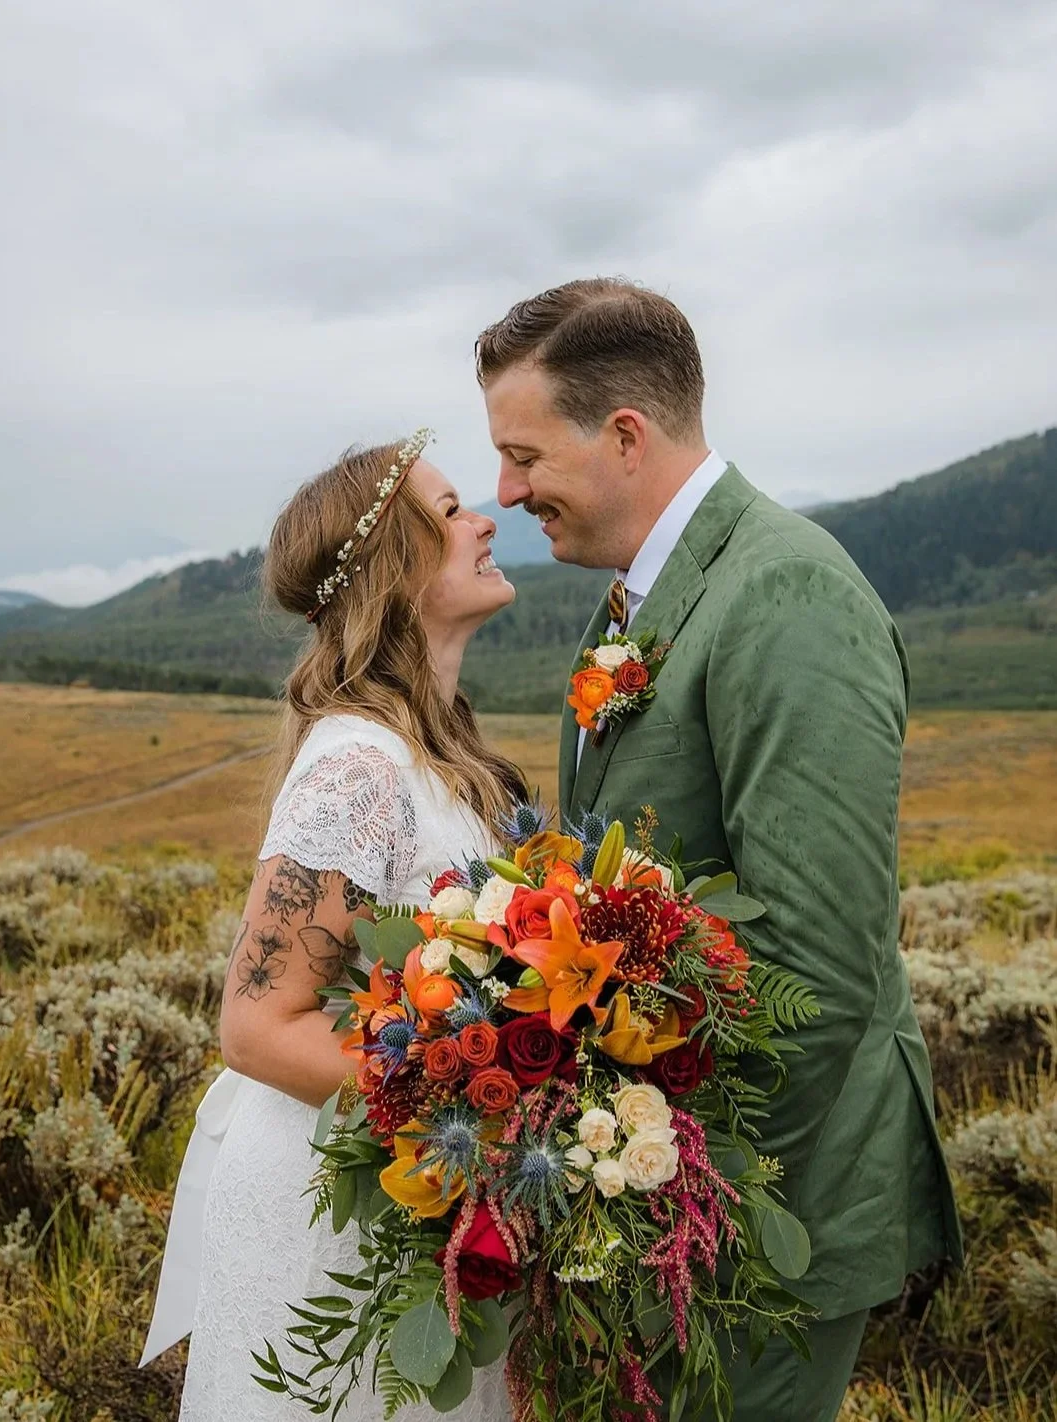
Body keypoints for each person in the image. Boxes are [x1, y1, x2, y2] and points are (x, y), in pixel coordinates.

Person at [476, 278, 964, 1422]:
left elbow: (823, 968)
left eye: (523, 454)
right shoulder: (635, 604)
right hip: (667, 1193)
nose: (506, 491)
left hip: (760, 1208)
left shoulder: (784, 593)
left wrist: (666, 1196)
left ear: (627, 436)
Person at [141, 430, 520, 1422]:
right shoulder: (358, 764)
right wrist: (482, 1119)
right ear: (398, 569)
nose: (485, 521)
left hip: (417, 1197)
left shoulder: (442, 760)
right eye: (450, 511)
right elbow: (260, 1024)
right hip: (338, 1214)